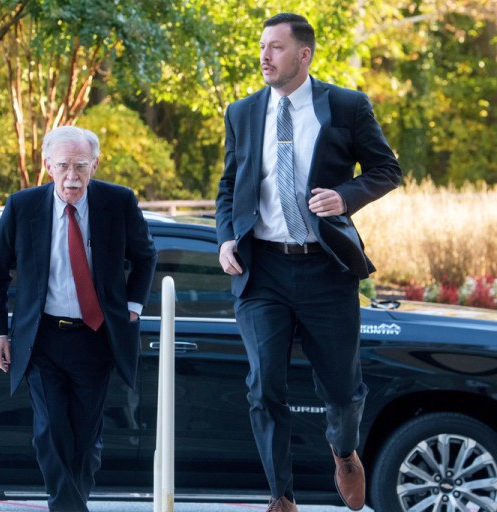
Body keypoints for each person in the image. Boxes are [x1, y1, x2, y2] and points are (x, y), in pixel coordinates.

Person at [215, 13, 402, 512]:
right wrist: (226, 237)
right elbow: (230, 185)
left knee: (341, 390)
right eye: (261, 47)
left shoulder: (345, 105)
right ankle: (281, 496)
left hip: (325, 267)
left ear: (304, 55)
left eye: (275, 48)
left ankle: (344, 453)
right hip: (264, 270)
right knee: (263, 385)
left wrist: (345, 197)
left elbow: (387, 170)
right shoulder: (242, 111)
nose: (264, 57)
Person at [0, 125, 157, 512]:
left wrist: (133, 307)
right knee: (50, 432)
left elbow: (145, 257)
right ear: (47, 166)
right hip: (42, 338)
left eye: (81, 167)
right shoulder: (22, 206)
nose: (72, 178)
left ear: (95, 164)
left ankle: (72, 502)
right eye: (63, 167)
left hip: (96, 338)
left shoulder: (118, 202)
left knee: (85, 439)